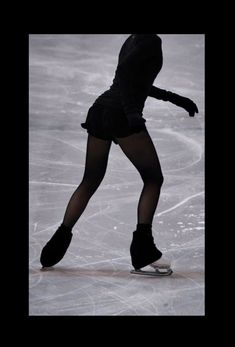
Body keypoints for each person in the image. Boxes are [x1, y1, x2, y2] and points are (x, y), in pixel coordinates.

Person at [40, 34, 198, 272]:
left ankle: (56, 244)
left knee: (90, 180)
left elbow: (135, 80)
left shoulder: (133, 38)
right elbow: (125, 77)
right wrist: (132, 113)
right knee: (153, 179)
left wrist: (173, 98)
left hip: (101, 110)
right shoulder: (150, 41)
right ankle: (143, 249)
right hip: (120, 115)